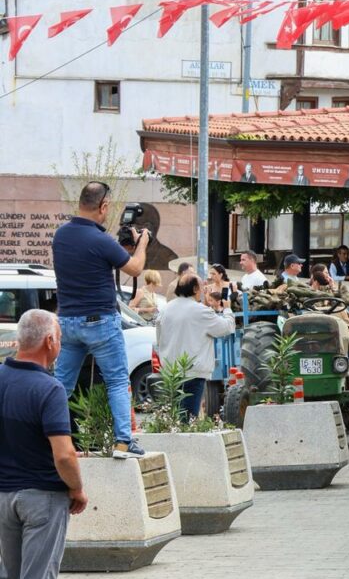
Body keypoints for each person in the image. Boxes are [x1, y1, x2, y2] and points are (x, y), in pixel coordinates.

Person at [0, 310, 87, 579]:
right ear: (49, 341)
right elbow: (64, 454)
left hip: (4, 496)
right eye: (60, 340)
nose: (60, 346)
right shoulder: (48, 389)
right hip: (42, 498)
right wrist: (77, 488)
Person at [51, 181, 150, 460]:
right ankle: (123, 442)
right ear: (103, 206)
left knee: (61, 385)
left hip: (68, 322)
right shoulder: (101, 240)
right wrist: (141, 244)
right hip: (100, 322)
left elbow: (91, 258)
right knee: (117, 381)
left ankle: (45, 438)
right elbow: (135, 267)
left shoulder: (60, 236)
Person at [155, 274, 236, 418]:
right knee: (188, 417)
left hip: (170, 372)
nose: (204, 289)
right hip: (192, 372)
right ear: (194, 289)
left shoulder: (165, 310)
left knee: (175, 417)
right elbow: (226, 328)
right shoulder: (200, 311)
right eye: (201, 286)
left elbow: (159, 340)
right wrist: (228, 309)